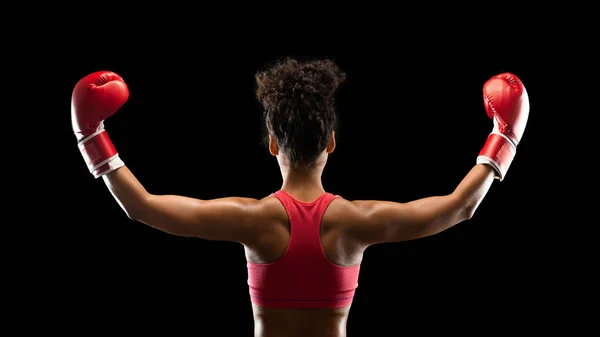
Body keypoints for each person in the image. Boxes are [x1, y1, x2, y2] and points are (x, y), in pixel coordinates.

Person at [71, 58, 529, 337]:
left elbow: (141, 206)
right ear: (331, 142)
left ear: (272, 143)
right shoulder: (355, 221)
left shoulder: (253, 220)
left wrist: (91, 135)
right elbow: (460, 206)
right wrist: (502, 138)